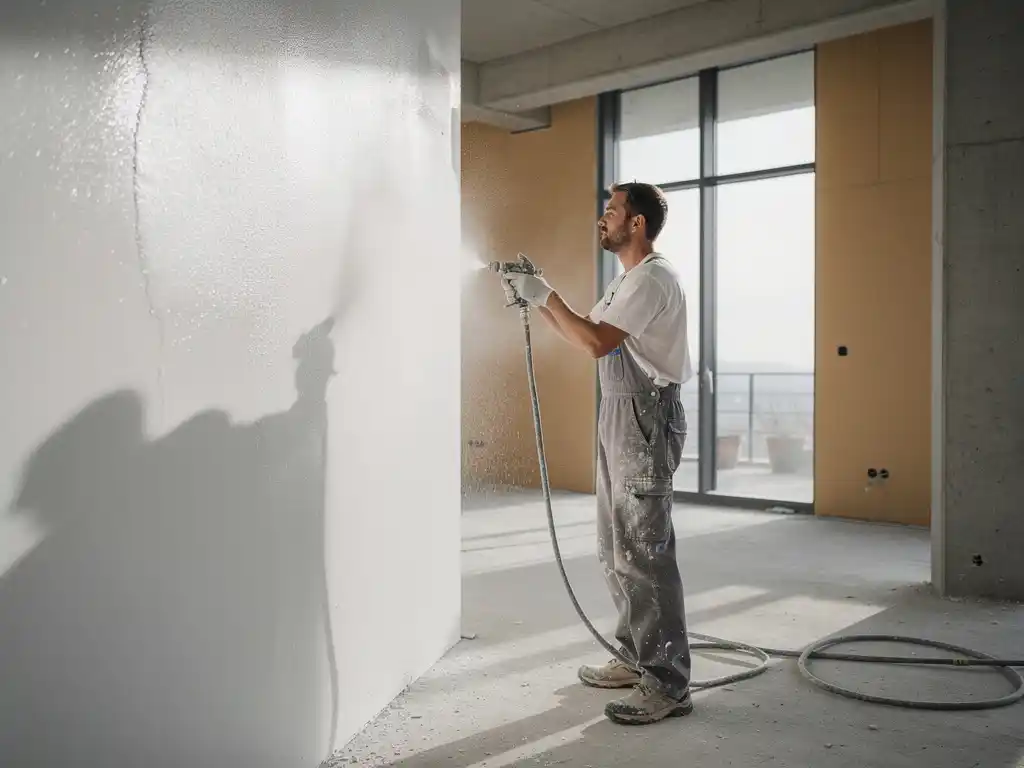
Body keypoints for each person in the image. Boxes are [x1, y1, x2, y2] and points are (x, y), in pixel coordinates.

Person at [502, 181, 694, 726]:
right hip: (619, 412)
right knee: (616, 546)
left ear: (637, 224)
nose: (602, 219)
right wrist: (536, 297)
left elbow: (594, 343)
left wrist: (543, 294)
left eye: (611, 212)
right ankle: (637, 657)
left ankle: (668, 683)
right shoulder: (626, 282)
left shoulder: (653, 278)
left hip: (644, 414)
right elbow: (584, 332)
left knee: (643, 550)